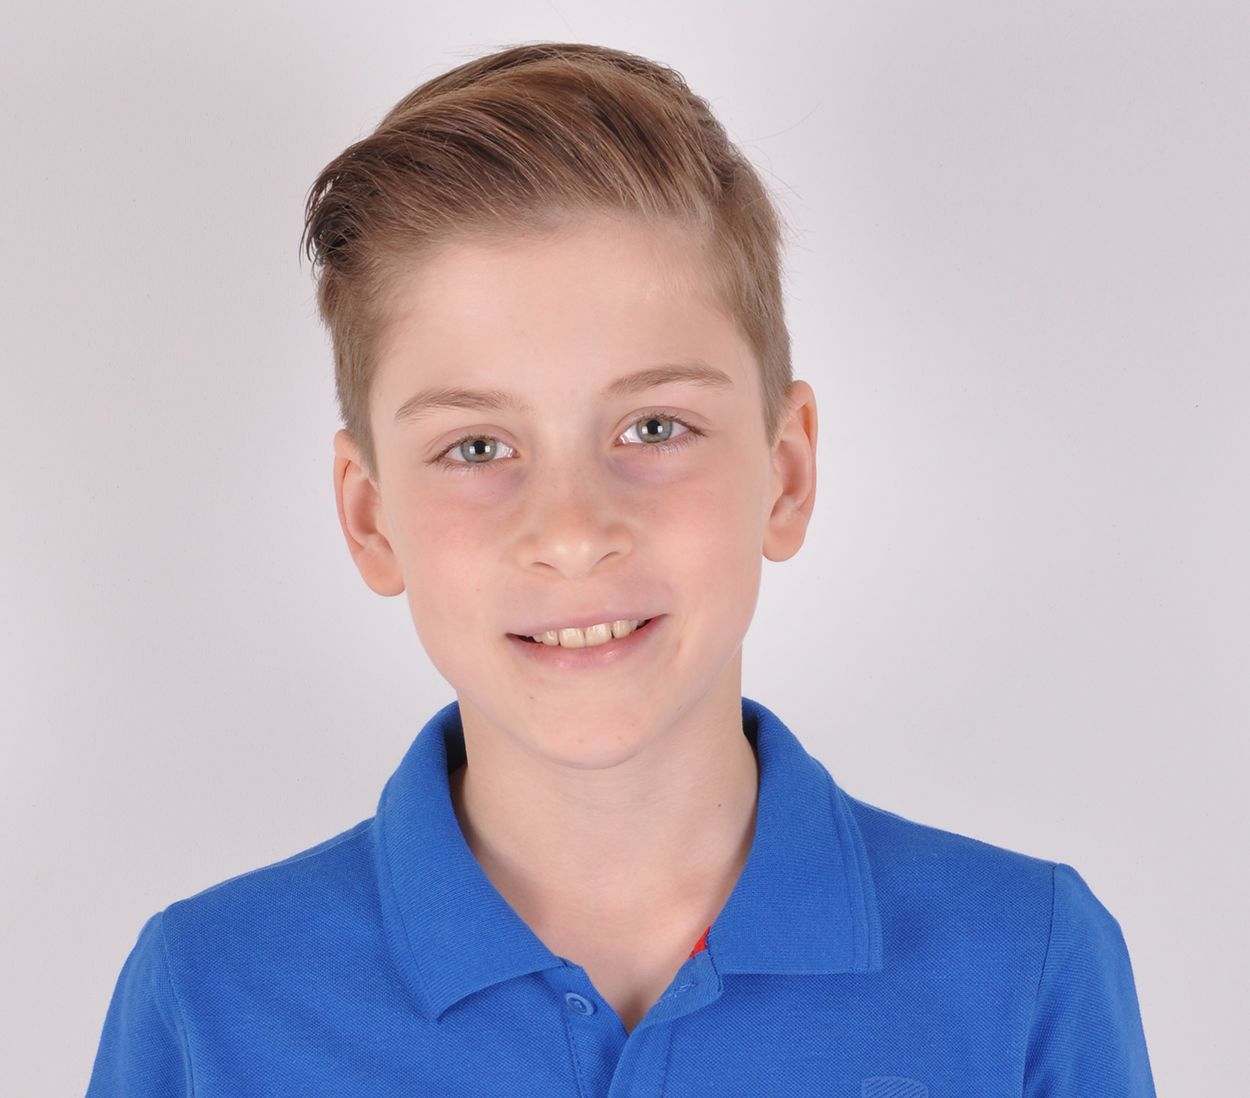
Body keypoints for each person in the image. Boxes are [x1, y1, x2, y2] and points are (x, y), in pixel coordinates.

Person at [86, 41, 1156, 1096]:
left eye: (652, 427)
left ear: (784, 474)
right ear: (370, 519)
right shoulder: (211, 1000)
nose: (571, 531)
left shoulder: (1023, 967)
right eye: (476, 447)